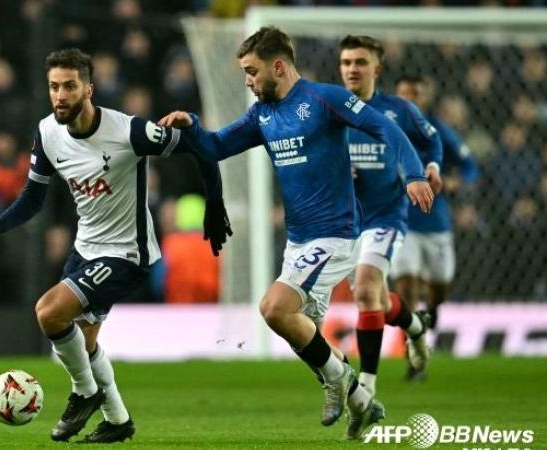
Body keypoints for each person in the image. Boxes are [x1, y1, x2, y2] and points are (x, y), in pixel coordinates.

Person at [158, 27, 434, 440]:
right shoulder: (262, 114)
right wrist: (191, 127)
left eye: (252, 72)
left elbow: (387, 130)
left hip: (337, 235)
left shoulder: (325, 99)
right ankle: (360, 400)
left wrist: (413, 173)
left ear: (279, 66)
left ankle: (338, 380)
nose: (247, 81)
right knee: (299, 331)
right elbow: (216, 147)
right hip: (299, 241)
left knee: (274, 308)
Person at [0, 48, 231, 443]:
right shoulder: (47, 132)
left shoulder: (129, 132)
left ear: (88, 89)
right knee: (83, 346)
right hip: (85, 250)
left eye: (69, 86)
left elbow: (203, 147)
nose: (60, 95)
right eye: (54, 87)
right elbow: (34, 198)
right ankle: (118, 421)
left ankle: (85, 394)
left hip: (127, 254)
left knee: (49, 313)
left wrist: (214, 203)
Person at [337, 35, 443, 396]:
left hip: (387, 216)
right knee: (377, 302)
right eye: (347, 62)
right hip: (345, 223)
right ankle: (415, 325)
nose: (352, 68)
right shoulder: (330, 110)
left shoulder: (399, 109)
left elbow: (431, 141)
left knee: (367, 290)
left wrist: (431, 166)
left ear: (376, 69)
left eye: (360, 62)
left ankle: (365, 388)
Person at [393, 74, 479, 378]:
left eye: (416, 94)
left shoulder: (438, 132)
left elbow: (469, 165)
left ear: (426, 98)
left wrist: (457, 180)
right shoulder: (385, 129)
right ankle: (414, 355)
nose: (411, 100)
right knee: (406, 288)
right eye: (405, 94)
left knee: (438, 292)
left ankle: (427, 324)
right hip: (401, 222)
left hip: (436, 223)